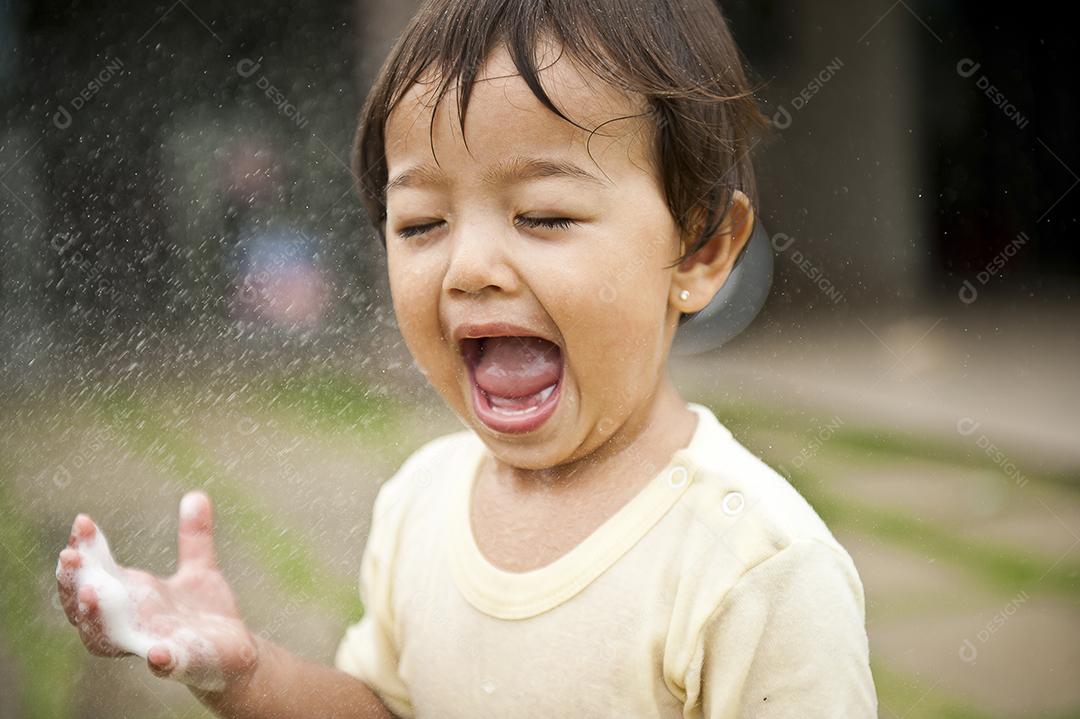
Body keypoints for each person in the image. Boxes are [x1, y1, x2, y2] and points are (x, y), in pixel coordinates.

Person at [55, 0, 878, 716]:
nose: (468, 267)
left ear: (701, 250)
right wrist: (243, 670)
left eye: (546, 215)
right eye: (420, 225)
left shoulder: (756, 570)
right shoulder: (421, 502)